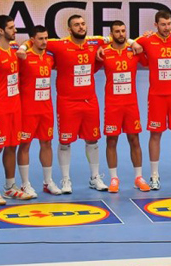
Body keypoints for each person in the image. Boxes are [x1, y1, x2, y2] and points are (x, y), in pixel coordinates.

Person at [16, 15, 113, 193]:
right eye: (76, 25)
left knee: (93, 139)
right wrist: (22, 47)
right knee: (65, 141)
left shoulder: (94, 42)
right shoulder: (58, 45)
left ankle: (95, 177)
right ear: (69, 29)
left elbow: (115, 38)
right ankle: (66, 180)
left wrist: (130, 43)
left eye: (83, 24)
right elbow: (34, 41)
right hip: (67, 102)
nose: (81, 27)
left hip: (90, 101)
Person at [134, 11, 171, 190]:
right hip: (157, 96)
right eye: (163, 24)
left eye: (169, 24)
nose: (167, 28)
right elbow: (130, 43)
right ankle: (154, 176)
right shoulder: (147, 40)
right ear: (156, 25)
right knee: (155, 134)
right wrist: (135, 43)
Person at [0, 16, 33, 205]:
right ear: (1, 31)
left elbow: (31, 41)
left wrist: (23, 48)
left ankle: (10, 186)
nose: (15, 30)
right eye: (11, 28)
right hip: (0, 109)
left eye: (14, 27)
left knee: (12, 145)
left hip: (15, 107)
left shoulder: (14, 49)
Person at [99, 21, 149, 193]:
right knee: (111, 140)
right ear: (111, 34)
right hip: (112, 105)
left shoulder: (133, 51)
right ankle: (114, 178)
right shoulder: (104, 52)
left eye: (123, 31)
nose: (121, 34)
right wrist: (98, 49)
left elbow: (150, 63)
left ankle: (138, 177)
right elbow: (90, 67)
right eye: (117, 31)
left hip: (131, 104)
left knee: (134, 139)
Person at [15, 25, 59, 197]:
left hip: (46, 108)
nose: (44, 42)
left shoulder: (50, 57)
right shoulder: (23, 56)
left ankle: (48, 182)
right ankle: (25, 184)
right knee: (25, 145)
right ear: (32, 39)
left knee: (46, 143)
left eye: (46, 38)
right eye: (40, 39)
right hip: (27, 109)